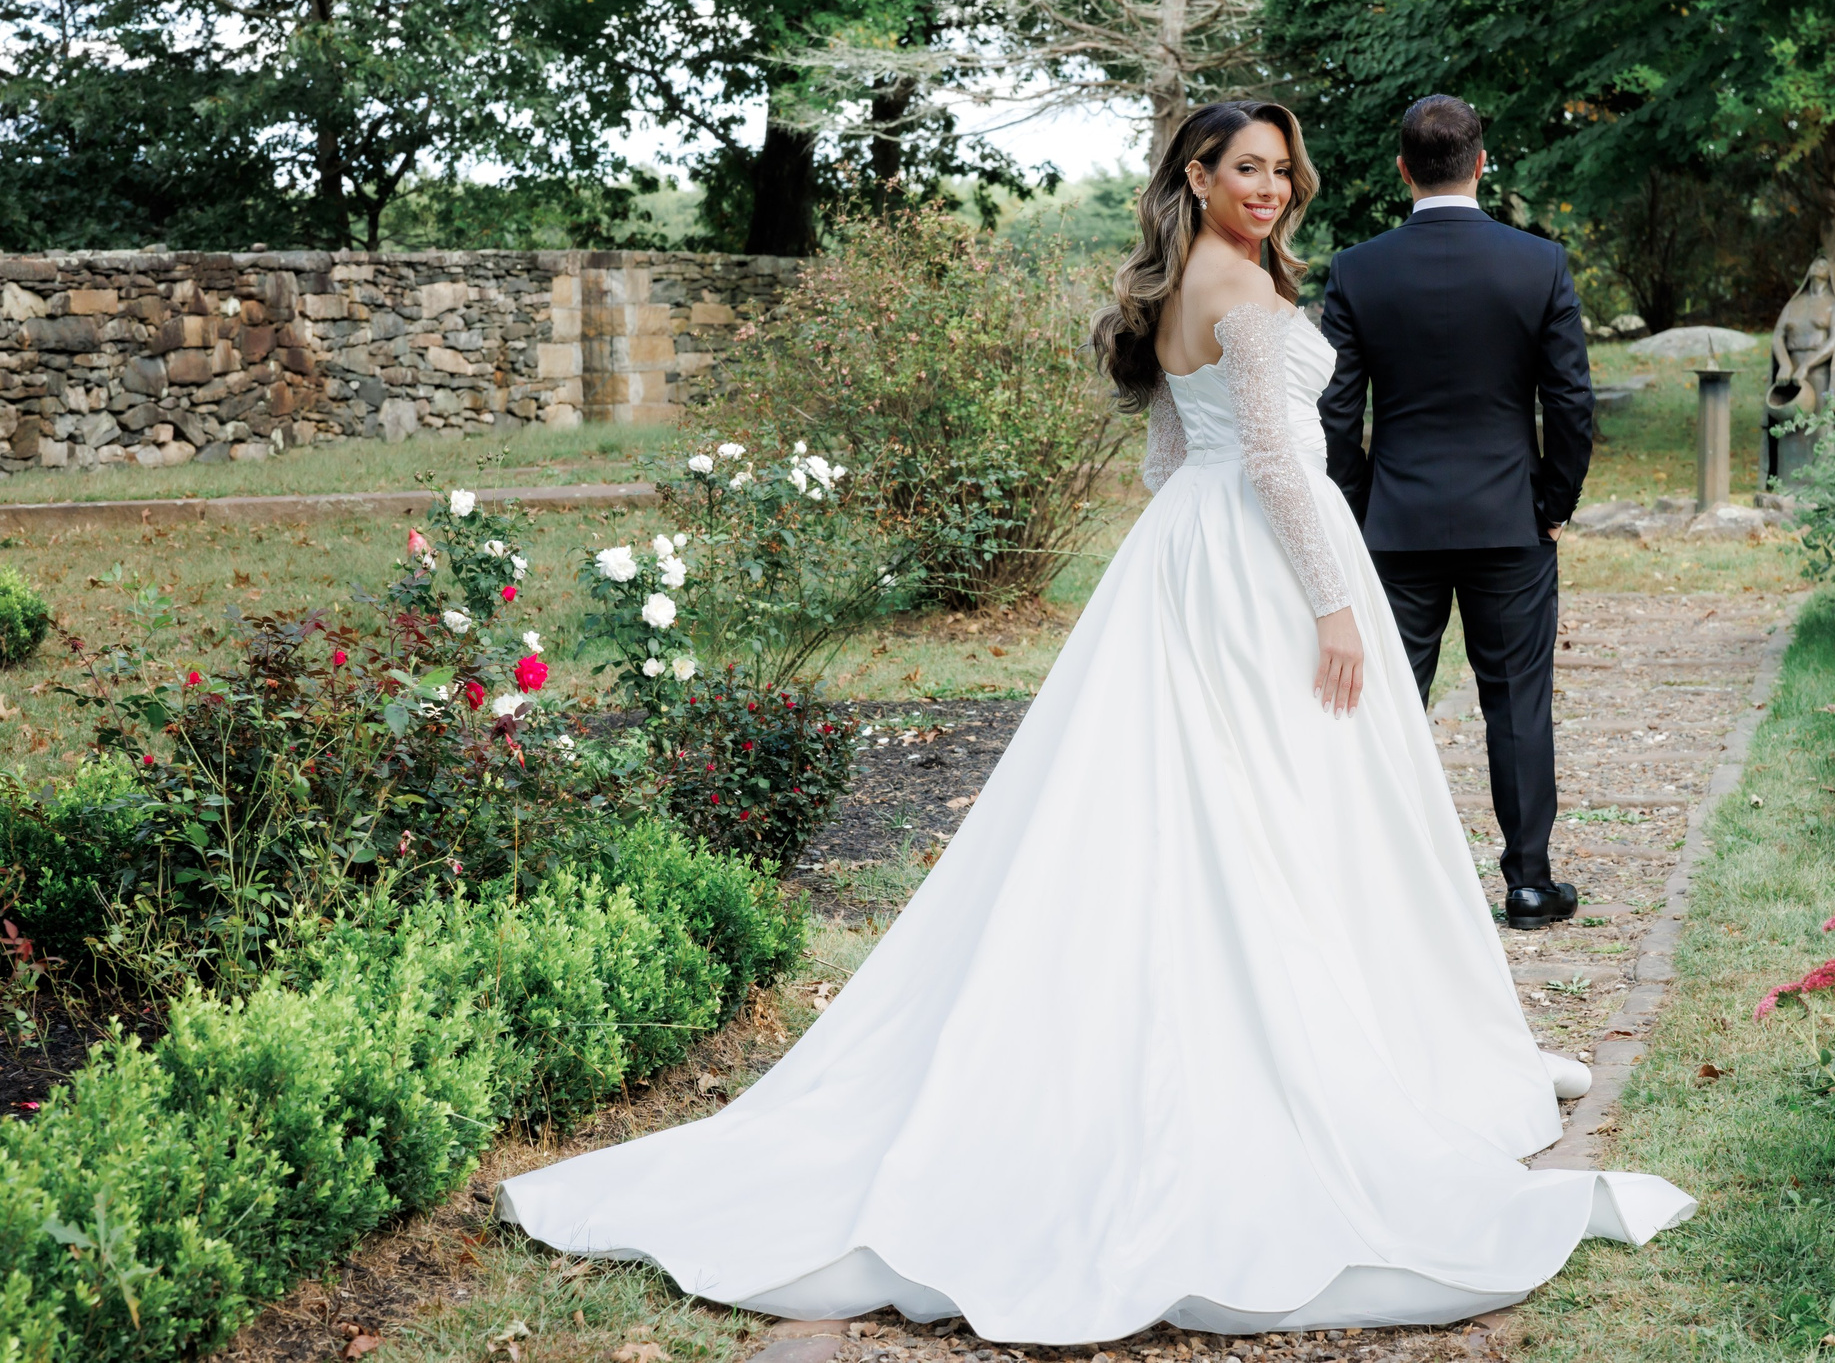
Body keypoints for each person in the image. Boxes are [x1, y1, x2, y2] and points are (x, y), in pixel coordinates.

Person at [497, 100, 1694, 1345]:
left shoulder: (1185, 279)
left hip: (1189, 553)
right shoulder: (1240, 285)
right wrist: (1333, 606)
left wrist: (1184, 561)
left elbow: (1168, 456)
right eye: (1248, 168)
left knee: (1220, 797)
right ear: (1200, 171)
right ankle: (1318, 1036)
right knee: (1280, 801)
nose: (1271, 187)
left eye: (1282, 170)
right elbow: (1282, 467)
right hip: (1268, 559)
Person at [1317, 95, 1595, 930]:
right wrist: (1551, 503)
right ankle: (1529, 885)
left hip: (1394, 529)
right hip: (1511, 522)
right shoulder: (1537, 264)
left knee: (1387, 704)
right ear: (1482, 164)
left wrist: (1362, 507)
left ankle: (1379, 888)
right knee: (1517, 703)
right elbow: (1571, 403)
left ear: (1402, 170)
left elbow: (1335, 412)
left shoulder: (1358, 270)